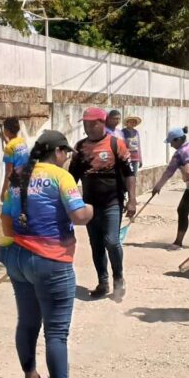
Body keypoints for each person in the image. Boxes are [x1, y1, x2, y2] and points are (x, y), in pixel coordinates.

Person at [2, 130, 93, 378]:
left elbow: (5, 222)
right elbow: (79, 216)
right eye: (66, 152)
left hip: (17, 257)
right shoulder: (59, 176)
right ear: (57, 152)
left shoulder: (17, 175)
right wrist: (92, 208)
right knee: (56, 331)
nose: (67, 158)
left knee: (27, 321)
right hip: (50, 261)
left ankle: (30, 377)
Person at [69, 107, 136, 300]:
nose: (89, 127)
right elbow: (71, 178)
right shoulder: (80, 147)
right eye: (85, 124)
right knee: (96, 244)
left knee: (112, 242)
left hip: (112, 202)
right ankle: (103, 282)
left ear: (102, 122)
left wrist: (131, 200)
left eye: (93, 123)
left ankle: (118, 279)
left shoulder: (116, 144)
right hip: (89, 205)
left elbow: (129, 174)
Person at [151, 126, 189, 249]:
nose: (171, 145)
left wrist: (158, 186)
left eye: (172, 142)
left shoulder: (180, 153)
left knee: (182, 211)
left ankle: (178, 242)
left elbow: (169, 172)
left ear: (178, 139)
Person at [0, 118, 29, 264]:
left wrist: (3, 190)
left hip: (14, 186)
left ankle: (14, 245)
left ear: (6, 130)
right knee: (14, 214)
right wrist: (6, 140)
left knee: (6, 216)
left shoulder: (9, 147)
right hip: (24, 183)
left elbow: (8, 172)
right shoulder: (21, 142)